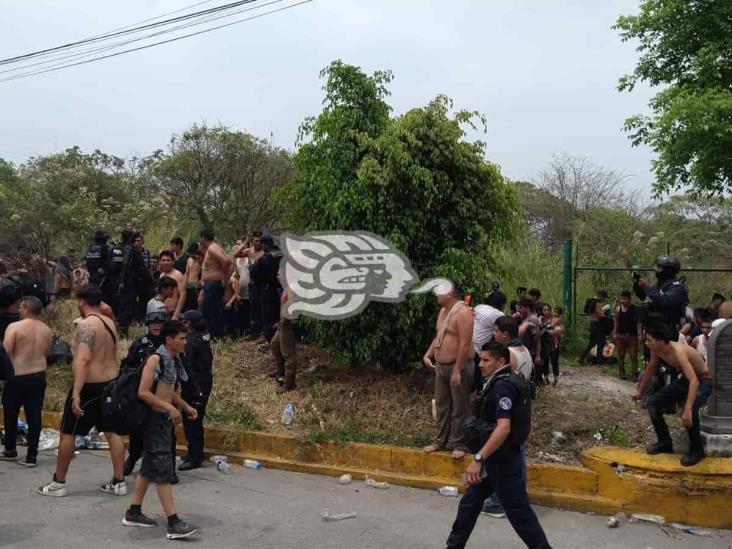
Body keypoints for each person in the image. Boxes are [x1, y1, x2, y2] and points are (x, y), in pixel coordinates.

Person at [446, 341, 551, 549]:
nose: (481, 365)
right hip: (493, 459)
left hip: (502, 462)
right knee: (469, 504)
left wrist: (479, 458)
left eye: (486, 360)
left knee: (520, 515)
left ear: (501, 361)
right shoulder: (499, 381)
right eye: (480, 360)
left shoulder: (503, 386)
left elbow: (503, 428)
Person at [38, 285, 127, 497]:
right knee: (112, 432)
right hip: (110, 382)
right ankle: (119, 481)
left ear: (82, 302)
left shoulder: (86, 325)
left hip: (90, 386)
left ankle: (58, 482)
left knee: (68, 431)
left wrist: (77, 392)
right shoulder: (109, 323)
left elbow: (84, 359)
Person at [123, 320, 199, 539]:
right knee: (164, 469)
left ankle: (134, 511)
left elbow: (167, 389)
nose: (185, 342)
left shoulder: (172, 360)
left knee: (149, 467)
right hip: (153, 420)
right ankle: (173, 522)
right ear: (169, 340)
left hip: (162, 420)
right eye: (182, 338)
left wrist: (184, 406)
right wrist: (169, 408)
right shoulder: (155, 359)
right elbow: (144, 392)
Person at [632, 323, 711, 466]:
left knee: (690, 411)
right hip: (687, 380)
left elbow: (695, 381)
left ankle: (697, 450)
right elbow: (650, 370)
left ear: (660, 341)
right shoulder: (656, 350)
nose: (646, 343)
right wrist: (640, 391)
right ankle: (665, 442)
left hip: (703, 380)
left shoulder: (678, 351)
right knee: (653, 403)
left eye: (649, 340)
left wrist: (687, 408)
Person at [422, 282, 474, 459]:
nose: (436, 295)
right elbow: (440, 335)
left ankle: (459, 443)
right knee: (442, 405)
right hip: (441, 366)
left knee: (460, 407)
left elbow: (465, 343)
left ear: (450, 293)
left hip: (458, 365)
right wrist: (428, 354)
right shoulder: (443, 312)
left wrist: (458, 370)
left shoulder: (463, 312)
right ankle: (440, 441)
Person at [1, 296, 52, 465]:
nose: (19, 311)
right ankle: (32, 456)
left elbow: (5, 353)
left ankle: (10, 450)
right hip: (38, 375)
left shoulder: (14, 327)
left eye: (21, 308)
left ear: (27, 309)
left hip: (17, 375)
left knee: (10, 413)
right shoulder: (46, 330)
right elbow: (45, 353)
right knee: (34, 415)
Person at [121, 310, 168, 477]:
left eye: (159, 323)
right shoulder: (140, 343)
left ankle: (167, 466)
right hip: (141, 393)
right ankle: (133, 457)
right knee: (137, 430)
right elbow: (126, 365)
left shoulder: (169, 343)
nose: (156, 326)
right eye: (153, 323)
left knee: (164, 430)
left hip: (163, 393)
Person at [179, 310, 213, 471]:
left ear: (189, 324)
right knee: (196, 418)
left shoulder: (191, 342)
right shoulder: (203, 337)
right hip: (204, 381)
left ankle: (195, 457)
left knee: (191, 419)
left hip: (195, 384)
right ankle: (194, 452)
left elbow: (188, 365)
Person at [199, 228, 235, 340]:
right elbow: (230, 262)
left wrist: (225, 278)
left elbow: (226, 262)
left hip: (213, 284)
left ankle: (216, 337)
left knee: (213, 312)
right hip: (211, 285)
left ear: (203, 238)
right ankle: (213, 335)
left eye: (200, 238)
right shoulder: (214, 248)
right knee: (209, 311)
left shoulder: (212, 248)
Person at [249, 234, 282, 350]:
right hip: (282, 290)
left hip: (268, 290)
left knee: (269, 317)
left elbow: (254, 275)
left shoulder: (264, 259)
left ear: (263, 245)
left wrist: (252, 266)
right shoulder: (283, 255)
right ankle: (283, 342)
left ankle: (272, 344)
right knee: (281, 317)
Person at [471, 291, 506, 392]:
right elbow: (505, 329)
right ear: (502, 304)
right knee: (477, 381)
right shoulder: (498, 314)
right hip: (477, 352)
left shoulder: (478, 307)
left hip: (466, 346)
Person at [270, 287, 298, 392]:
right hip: (283, 323)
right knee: (274, 346)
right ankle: (280, 372)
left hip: (288, 323)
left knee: (288, 354)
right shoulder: (287, 286)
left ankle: (289, 384)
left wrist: (285, 319)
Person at [240, 232, 264, 340]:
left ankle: (264, 333)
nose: (258, 243)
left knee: (262, 308)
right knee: (253, 309)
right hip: (252, 284)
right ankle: (254, 333)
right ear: (252, 242)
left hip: (262, 284)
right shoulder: (249, 251)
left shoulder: (264, 252)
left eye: (260, 240)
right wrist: (245, 242)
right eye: (256, 241)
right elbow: (235, 254)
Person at [613, 290, 640, 380]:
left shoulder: (634, 309)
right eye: (621, 299)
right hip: (621, 335)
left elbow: (638, 323)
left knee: (633, 355)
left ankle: (634, 373)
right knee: (621, 354)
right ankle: (621, 372)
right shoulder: (618, 309)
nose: (622, 301)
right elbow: (616, 321)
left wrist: (640, 335)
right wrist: (615, 333)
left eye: (624, 299)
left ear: (629, 299)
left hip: (632, 335)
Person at [158, 250, 187, 320]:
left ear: (173, 262)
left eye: (168, 260)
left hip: (173, 312)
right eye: (163, 260)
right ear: (160, 262)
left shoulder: (178, 275)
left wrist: (176, 314)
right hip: (163, 312)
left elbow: (183, 295)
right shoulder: (161, 275)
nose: (166, 263)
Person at [517, 299, 541, 373]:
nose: (519, 310)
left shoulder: (532, 319)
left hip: (530, 350)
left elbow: (536, 338)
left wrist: (537, 354)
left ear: (527, 308)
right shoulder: (524, 318)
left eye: (521, 308)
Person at [134, 234, 153, 323]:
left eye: (139, 241)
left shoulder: (146, 253)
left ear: (142, 242)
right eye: (136, 241)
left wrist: (151, 277)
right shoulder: (132, 252)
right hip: (134, 279)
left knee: (144, 298)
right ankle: (135, 317)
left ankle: (143, 317)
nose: (138, 243)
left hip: (145, 278)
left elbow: (149, 266)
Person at [183, 243, 202, 312]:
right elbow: (186, 273)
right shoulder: (189, 260)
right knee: (189, 308)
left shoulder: (201, 260)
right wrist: (184, 285)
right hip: (188, 286)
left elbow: (205, 274)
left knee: (195, 308)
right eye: (190, 254)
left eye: (193, 254)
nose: (192, 256)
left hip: (196, 287)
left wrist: (199, 283)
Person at [223, 271, 241, 338]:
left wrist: (230, 302)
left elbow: (237, 293)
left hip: (230, 303)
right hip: (223, 303)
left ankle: (233, 335)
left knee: (232, 321)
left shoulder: (232, 279)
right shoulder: (221, 279)